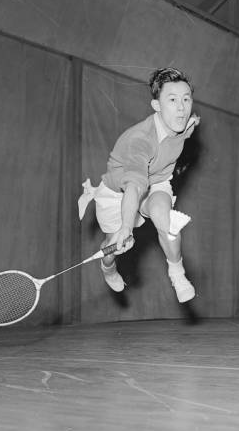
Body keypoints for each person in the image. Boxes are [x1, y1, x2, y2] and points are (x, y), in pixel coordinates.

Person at [78, 67, 200, 303]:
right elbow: (134, 187)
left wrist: (193, 121)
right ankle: (108, 268)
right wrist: (126, 226)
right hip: (117, 193)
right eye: (172, 100)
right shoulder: (141, 141)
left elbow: (189, 125)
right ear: (156, 106)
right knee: (111, 248)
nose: (182, 107)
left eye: (186, 99)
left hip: (156, 183)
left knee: (166, 220)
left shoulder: (184, 125)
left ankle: (177, 273)